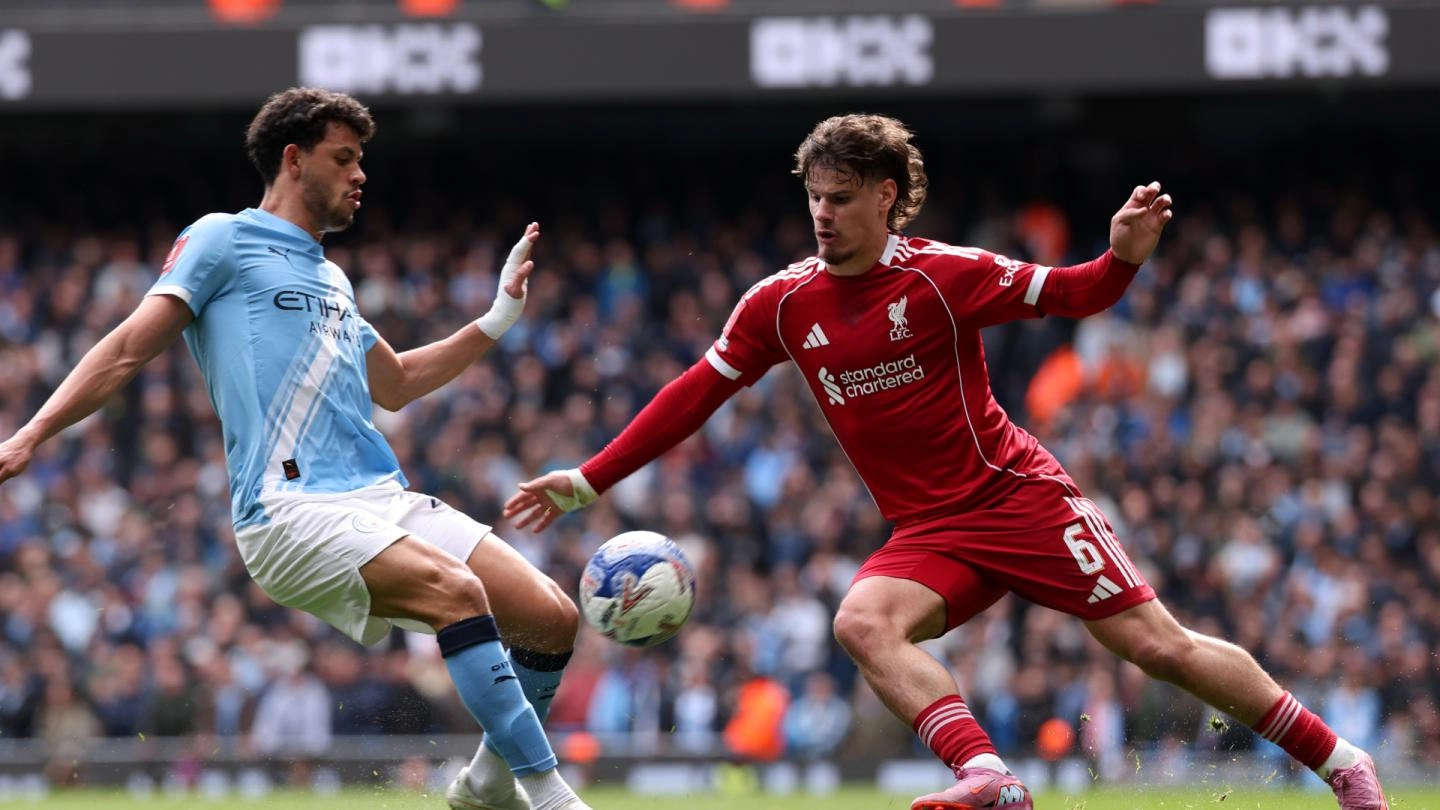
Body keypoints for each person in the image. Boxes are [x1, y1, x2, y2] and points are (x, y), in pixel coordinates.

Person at [504, 113, 1388, 810]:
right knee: (860, 621)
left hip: (1016, 496)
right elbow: (697, 391)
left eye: (842, 197)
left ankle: (1344, 764)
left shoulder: (941, 275)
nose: (822, 213)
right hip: (931, 530)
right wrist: (589, 479)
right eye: (814, 196)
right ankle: (990, 778)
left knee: (1158, 648)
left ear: (888, 197)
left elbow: (1077, 294)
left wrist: (1120, 256)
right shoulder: (780, 303)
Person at [0, 87, 588, 810]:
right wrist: (31, 433)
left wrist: (497, 317)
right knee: (455, 594)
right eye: (343, 159)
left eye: (360, 161)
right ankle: (550, 794)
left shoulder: (333, 279)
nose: (359, 175)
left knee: (552, 618)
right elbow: (125, 350)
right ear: (292, 157)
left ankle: (485, 789)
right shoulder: (222, 238)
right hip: (288, 511)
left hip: (378, 498)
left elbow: (397, 383)